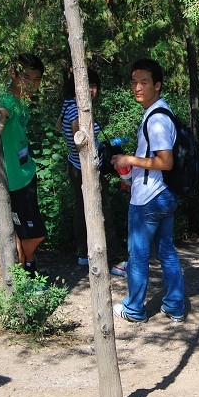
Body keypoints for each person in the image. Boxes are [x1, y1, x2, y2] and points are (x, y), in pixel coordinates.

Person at [110, 58, 186, 323]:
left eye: (144, 82)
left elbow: (166, 162)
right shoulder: (161, 112)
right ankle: (175, 305)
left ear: (158, 85)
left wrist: (129, 160)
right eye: (134, 82)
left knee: (138, 254)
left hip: (149, 198)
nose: (137, 87)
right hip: (163, 194)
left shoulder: (157, 119)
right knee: (166, 250)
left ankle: (134, 309)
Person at [0, 53, 48, 277]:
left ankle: (26, 274)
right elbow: (0, 116)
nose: (32, 84)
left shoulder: (20, 101)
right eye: (26, 77)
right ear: (14, 74)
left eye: (36, 79)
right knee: (35, 233)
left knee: (21, 233)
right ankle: (29, 265)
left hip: (26, 174)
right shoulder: (6, 101)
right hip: (14, 181)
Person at [55, 67, 128, 277]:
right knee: (103, 210)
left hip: (74, 164)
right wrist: (87, 147)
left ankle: (82, 253)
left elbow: (58, 126)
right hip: (85, 168)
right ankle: (115, 260)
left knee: (81, 209)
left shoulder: (68, 105)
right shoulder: (77, 109)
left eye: (94, 86)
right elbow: (78, 134)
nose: (91, 90)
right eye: (88, 85)